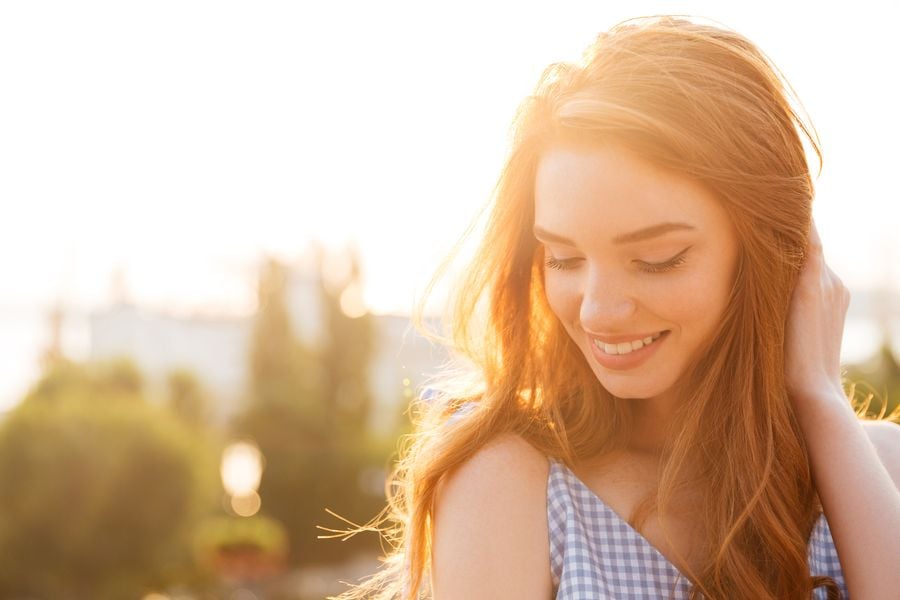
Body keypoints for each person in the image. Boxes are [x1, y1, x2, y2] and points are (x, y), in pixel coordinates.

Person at [332, 15, 900, 600]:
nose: (598, 313)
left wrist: (820, 399)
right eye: (564, 259)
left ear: (768, 255)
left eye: (658, 258)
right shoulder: (511, 482)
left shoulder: (875, 469)